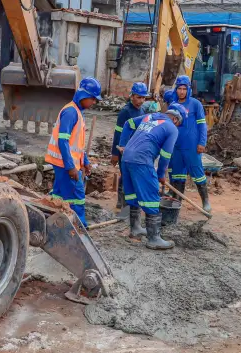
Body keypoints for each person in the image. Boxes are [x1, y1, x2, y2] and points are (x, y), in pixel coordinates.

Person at [117, 103, 185, 250]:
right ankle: (154, 238)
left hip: (126, 157)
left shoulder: (149, 116)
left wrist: (122, 146)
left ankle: (135, 228)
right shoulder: (171, 128)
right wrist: (160, 175)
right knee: (152, 197)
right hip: (142, 160)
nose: (178, 126)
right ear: (175, 119)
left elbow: (128, 124)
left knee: (133, 195)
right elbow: (166, 156)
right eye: (179, 123)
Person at [45, 77, 103, 226]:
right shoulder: (71, 112)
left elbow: (77, 144)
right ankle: (78, 224)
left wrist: (85, 162)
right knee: (77, 194)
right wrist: (70, 166)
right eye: (92, 99)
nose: (94, 102)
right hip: (65, 163)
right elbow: (62, 141)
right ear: (83, 95)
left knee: (59, 193)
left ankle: (53, 218)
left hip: (66, 161)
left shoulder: (77, 111)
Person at [168, 75, 211, 212]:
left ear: (188, 90)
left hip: (192, 146)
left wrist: (202, 142)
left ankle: (205, 202)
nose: (181, 91)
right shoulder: (172, 104)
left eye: (184, 89)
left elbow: (202, 125)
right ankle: (176, 203)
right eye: (179, 88)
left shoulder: (195, 104)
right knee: (177, 175)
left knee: (197, 173)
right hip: (176, 147)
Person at [111, 82, 148, 218]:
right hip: (123, 150)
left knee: (127, 175)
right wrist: (115, 153)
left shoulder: (142, 111)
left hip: (135, 150)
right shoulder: (125, 112)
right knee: (126, 175)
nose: (141, 100)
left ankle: (123, 202)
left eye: (144, 98)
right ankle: (123, 204)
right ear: (132, 96)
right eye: (139, 97)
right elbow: (118, 133)